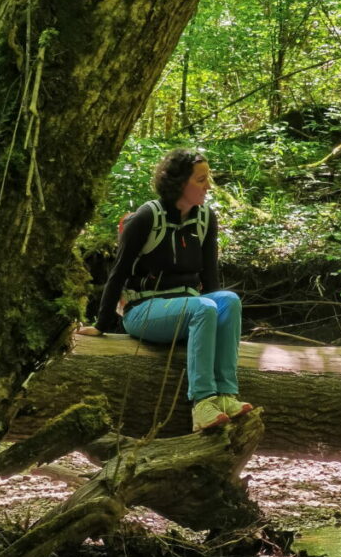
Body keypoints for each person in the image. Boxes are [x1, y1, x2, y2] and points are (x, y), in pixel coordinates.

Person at [77, 149, 253, 433]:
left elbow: (210, 279)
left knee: (228, 301)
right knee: (205, 307)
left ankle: (225, 396)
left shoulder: (206, 218)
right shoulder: (148, 217)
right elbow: (118, 272)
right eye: (201, 179)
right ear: (180, 183)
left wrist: (215, 326)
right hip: (143, 311)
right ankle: (202, 403)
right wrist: (102, 324)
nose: (208, 186)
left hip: (191, 309)